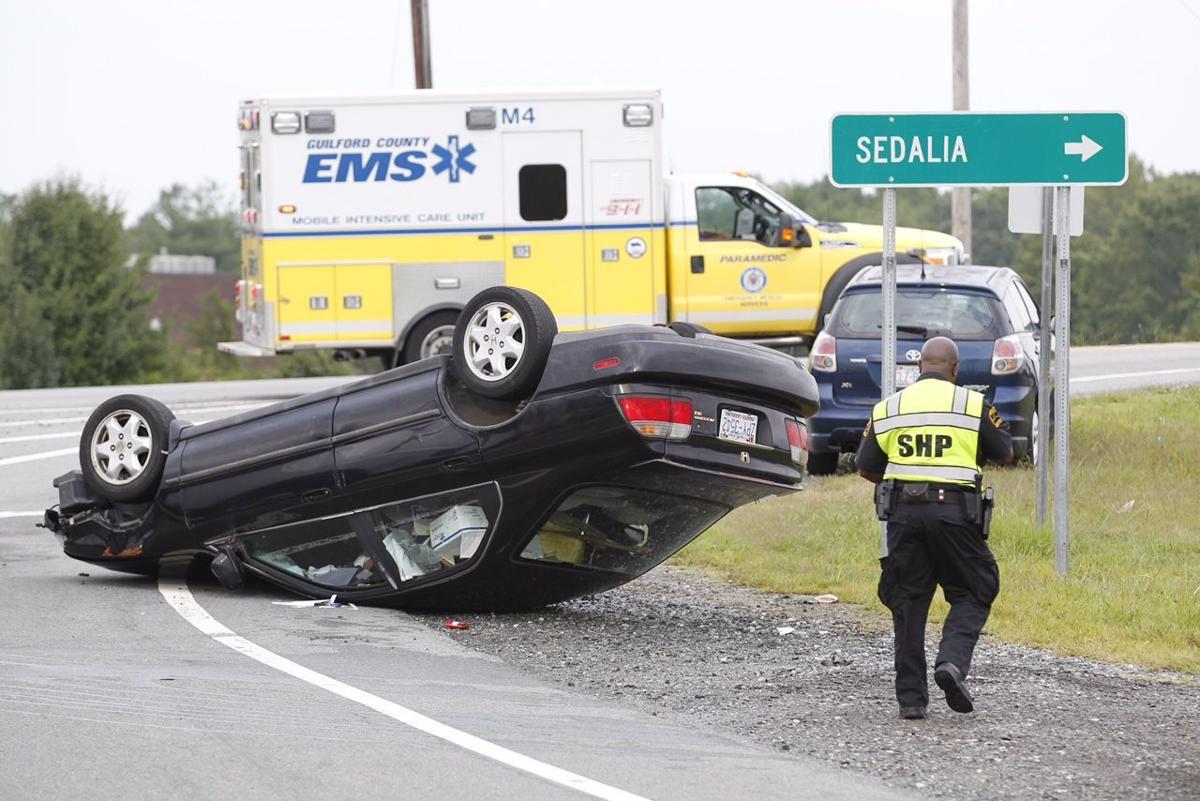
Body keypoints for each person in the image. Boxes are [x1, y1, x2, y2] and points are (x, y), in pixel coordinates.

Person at [856, 336, 1012, 720]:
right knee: (976, 588)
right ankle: (952, 663)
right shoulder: (971, 404)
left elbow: (865, 465)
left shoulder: (888, 408)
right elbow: (1006, 452)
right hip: (957, 514)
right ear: (955, 369)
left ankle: (911, 699)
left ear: (919, 367)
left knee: (908, 602)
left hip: (902, 513)